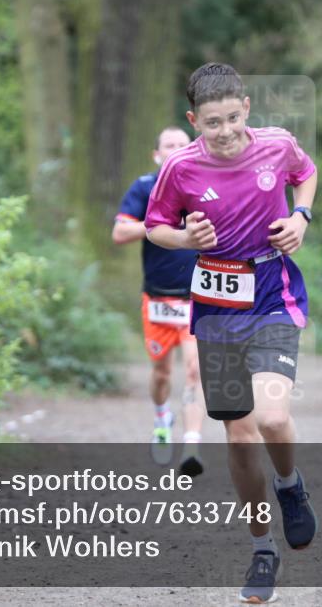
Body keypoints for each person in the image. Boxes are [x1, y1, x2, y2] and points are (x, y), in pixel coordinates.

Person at [146, 63, 318, 604]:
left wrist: (302, 217)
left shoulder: (277, 145)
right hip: (217, 311)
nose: (223, 132)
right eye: (211, 123)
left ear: (246, 107)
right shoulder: (180, 167)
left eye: (231, 118)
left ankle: (290, 486)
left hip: (271, 296)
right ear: (194, 120)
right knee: (240, 436)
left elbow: (307, 172)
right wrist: (184, 238)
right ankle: (262, 549)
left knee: (272, 417)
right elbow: (155, 226)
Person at [112, 126, 207, 476]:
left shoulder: (205, 187)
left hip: (197, 296)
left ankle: (192, 445)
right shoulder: (144, 188)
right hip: (158, 298)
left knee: (195, 369)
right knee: (162, 372)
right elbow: (120, 232)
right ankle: (162, 416)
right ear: (157, 155)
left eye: (183, 144)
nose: (177, 149)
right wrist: (159, 225)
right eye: (169, 145)